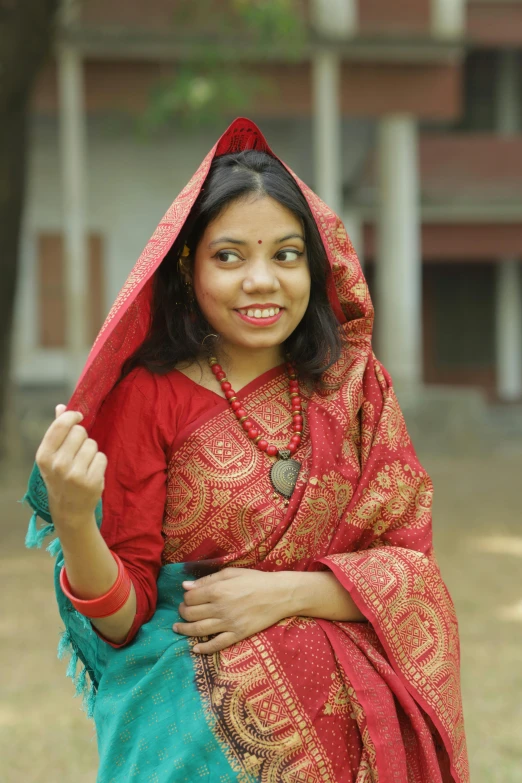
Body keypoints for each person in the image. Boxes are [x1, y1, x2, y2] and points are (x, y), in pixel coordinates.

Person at [25, 118, 469, 782]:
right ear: (187, 265)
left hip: (352, 739)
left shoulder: (354, 389)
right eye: (229, 256)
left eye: (286, 255)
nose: (262, 280)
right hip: (189, 730)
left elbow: (412, 572)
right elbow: (122, 622)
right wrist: (73, 519)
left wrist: (290, 593)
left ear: (314, 268)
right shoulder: (150, 398)